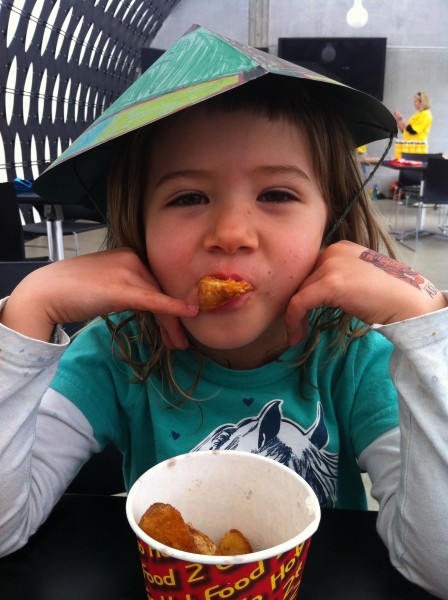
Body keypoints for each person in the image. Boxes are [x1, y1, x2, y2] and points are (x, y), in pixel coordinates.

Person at [1, 26, 447, 599]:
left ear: (329, 227)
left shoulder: (355, 355)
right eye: (188, 198)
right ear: (137, 230)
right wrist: (29, 309)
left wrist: (428, 331)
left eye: (277, 195)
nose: (231, 234)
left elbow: (437, 564)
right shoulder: (116, 352)